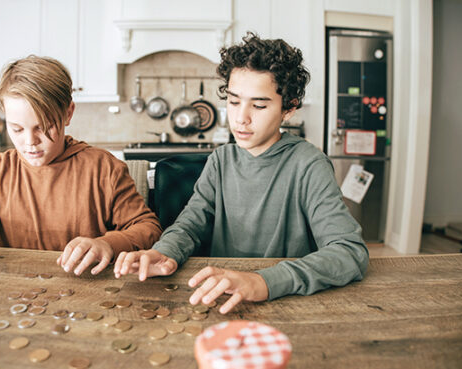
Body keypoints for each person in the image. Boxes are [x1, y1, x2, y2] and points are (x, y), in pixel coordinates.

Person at [113, 32, 369, 314]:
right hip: (222, 298)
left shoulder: (309, 164)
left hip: (288, 303)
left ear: (289, 109)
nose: (241, 118)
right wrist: (165, 252)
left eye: (259, 105)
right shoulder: (221, 160)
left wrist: (264, 281)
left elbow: (349, 252)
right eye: (234, 102)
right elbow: (190, 223)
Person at [0, 55, 162, 309]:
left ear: (68, 113)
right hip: (20, 298)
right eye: (17, 129)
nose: (30, 142)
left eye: (43, 127)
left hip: (95, 300)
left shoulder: (104, 169)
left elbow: (148, 227)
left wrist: (107, 244)